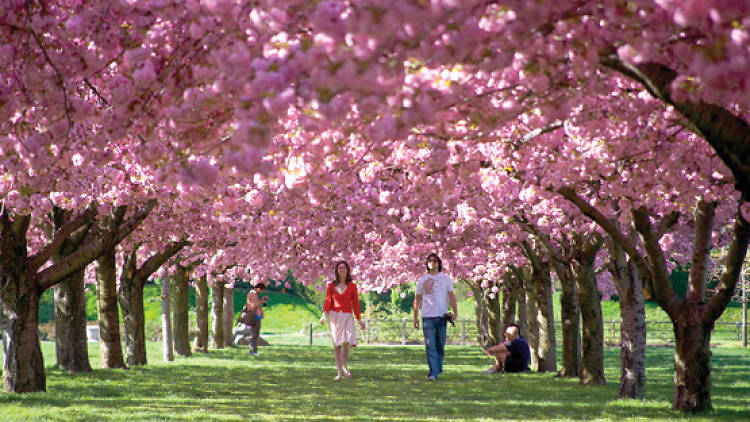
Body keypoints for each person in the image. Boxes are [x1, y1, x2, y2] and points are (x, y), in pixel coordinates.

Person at [413, 253, 458, 381]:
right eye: (430, 261)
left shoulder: (445, 279)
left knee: (440, 344)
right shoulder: (422, 280)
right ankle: (433, 372)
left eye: (435, 261)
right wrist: (415, 317)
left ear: (439, 263)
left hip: (442, 316)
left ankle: (438, 368)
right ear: (427, 264)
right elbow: (417, 299)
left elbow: (452, 296)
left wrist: (455, 312)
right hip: (427, 316)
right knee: (430, 345)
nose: (432, 263)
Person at [320, 260, 366, 380]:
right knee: (337, 345)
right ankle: (339, 373)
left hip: (347, 316)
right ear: (336, 270)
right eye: (340, 268)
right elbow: (328, 301)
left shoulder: (353, 286)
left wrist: (359, 319)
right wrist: (324, 315)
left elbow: (356, 303)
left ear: (347, 271)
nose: (342, 270)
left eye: (344, 268)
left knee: (346, 342)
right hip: (334, 316)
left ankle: (345, 366)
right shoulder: (331, 285)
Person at [242, 282, 267, 356]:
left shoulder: (254, 294)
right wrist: (261, 301)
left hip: (257, 315)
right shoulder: (253, 293)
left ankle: (254, 351)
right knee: (254, 334)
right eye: (261, 290)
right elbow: (253, 305)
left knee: (256, 334)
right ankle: (252, 351)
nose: (261, 292)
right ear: (259, 288)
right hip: (254, 316)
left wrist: (261, 300)